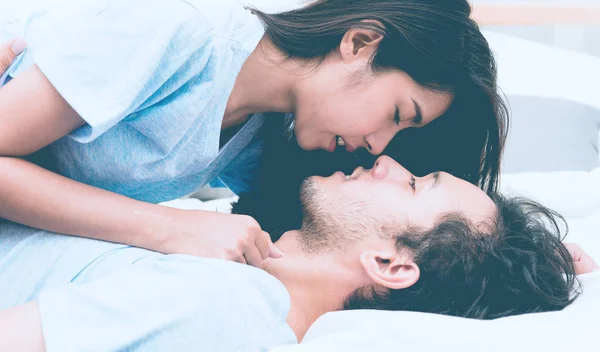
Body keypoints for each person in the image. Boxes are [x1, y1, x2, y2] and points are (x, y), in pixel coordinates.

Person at [0, 0, 507, 265]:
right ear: (358, 43)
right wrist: (167, 227)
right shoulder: (181, 32)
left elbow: (367, 231)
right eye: (398, 112)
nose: (378, 145)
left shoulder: (265, 129)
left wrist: (503, 257)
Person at [0, 156, 592, 352]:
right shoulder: (225, 257)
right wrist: (544, 259)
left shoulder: (223, 304)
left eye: (413, 185)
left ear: (391, 265)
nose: (388, 162)